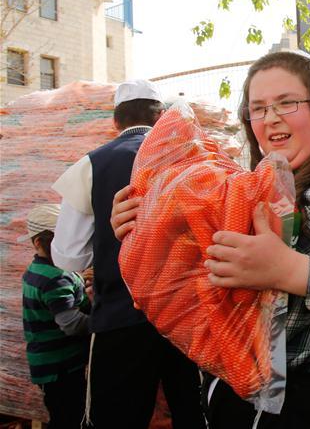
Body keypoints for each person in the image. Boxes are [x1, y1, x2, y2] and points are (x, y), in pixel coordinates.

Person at [111, 51, 310, 428]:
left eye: (287, 103)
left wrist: (293, 271)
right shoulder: (241, 188)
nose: (271, 117)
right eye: (258, 108)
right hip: (237, 397)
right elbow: (198, 285)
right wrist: (145, 230)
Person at [50, 79, 205, 429]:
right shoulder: (191, 158)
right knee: (194, 414)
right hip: (185, 319)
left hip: (119, 319)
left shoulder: (91, 165)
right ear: (161, 116)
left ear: (115, 122)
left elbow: (68, 257)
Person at [20, 204, 91, 429]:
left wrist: (81, 282)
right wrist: (104, 322)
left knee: (64, 414)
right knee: (68, 418)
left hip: (51, 365)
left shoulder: (38, 270)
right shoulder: (55, 278)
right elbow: (71, 324)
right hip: (60, 367)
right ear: (38, 243)